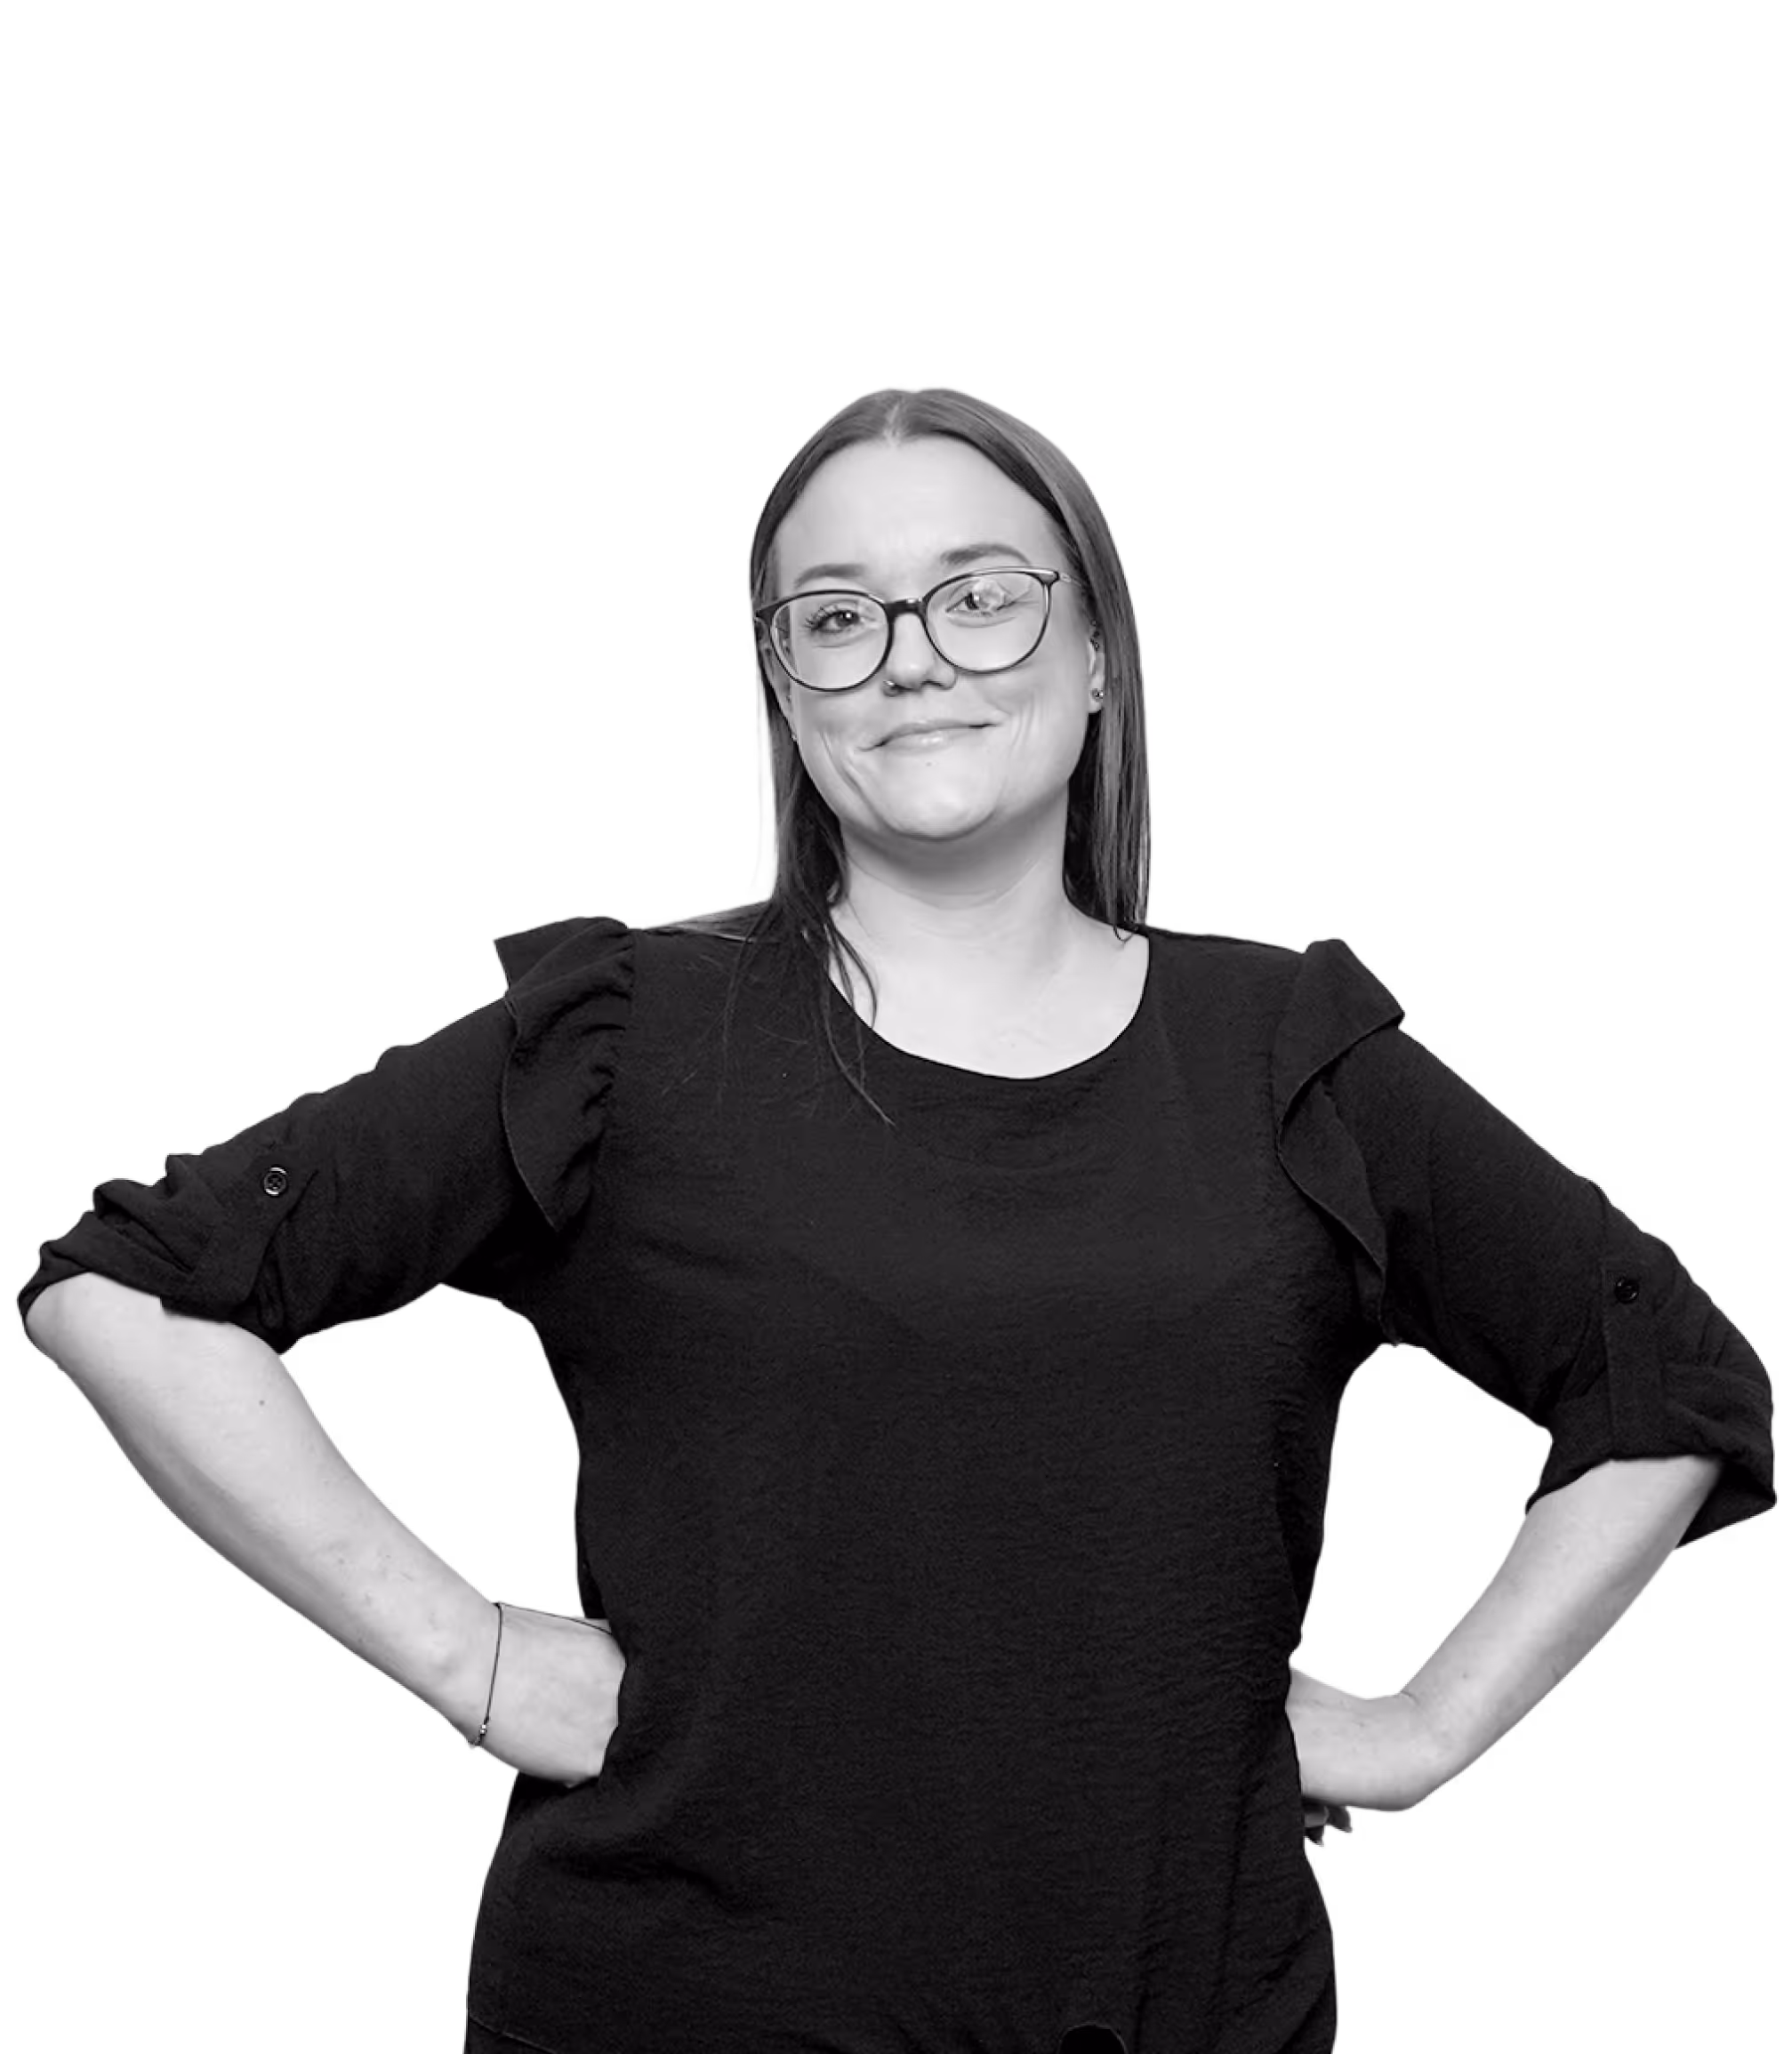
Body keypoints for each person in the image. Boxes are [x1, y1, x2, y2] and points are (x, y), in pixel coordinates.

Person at [17, 383, 1774, 2054]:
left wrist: (1421, 1730)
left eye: (980, 598)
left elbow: (1664, 1379)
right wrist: (463, 1655)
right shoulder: (628, 1041)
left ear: (1097, 655)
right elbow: (123, 1292)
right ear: (782, 690)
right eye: (835, 616)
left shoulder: (1289, 1060)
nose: (912, 658)